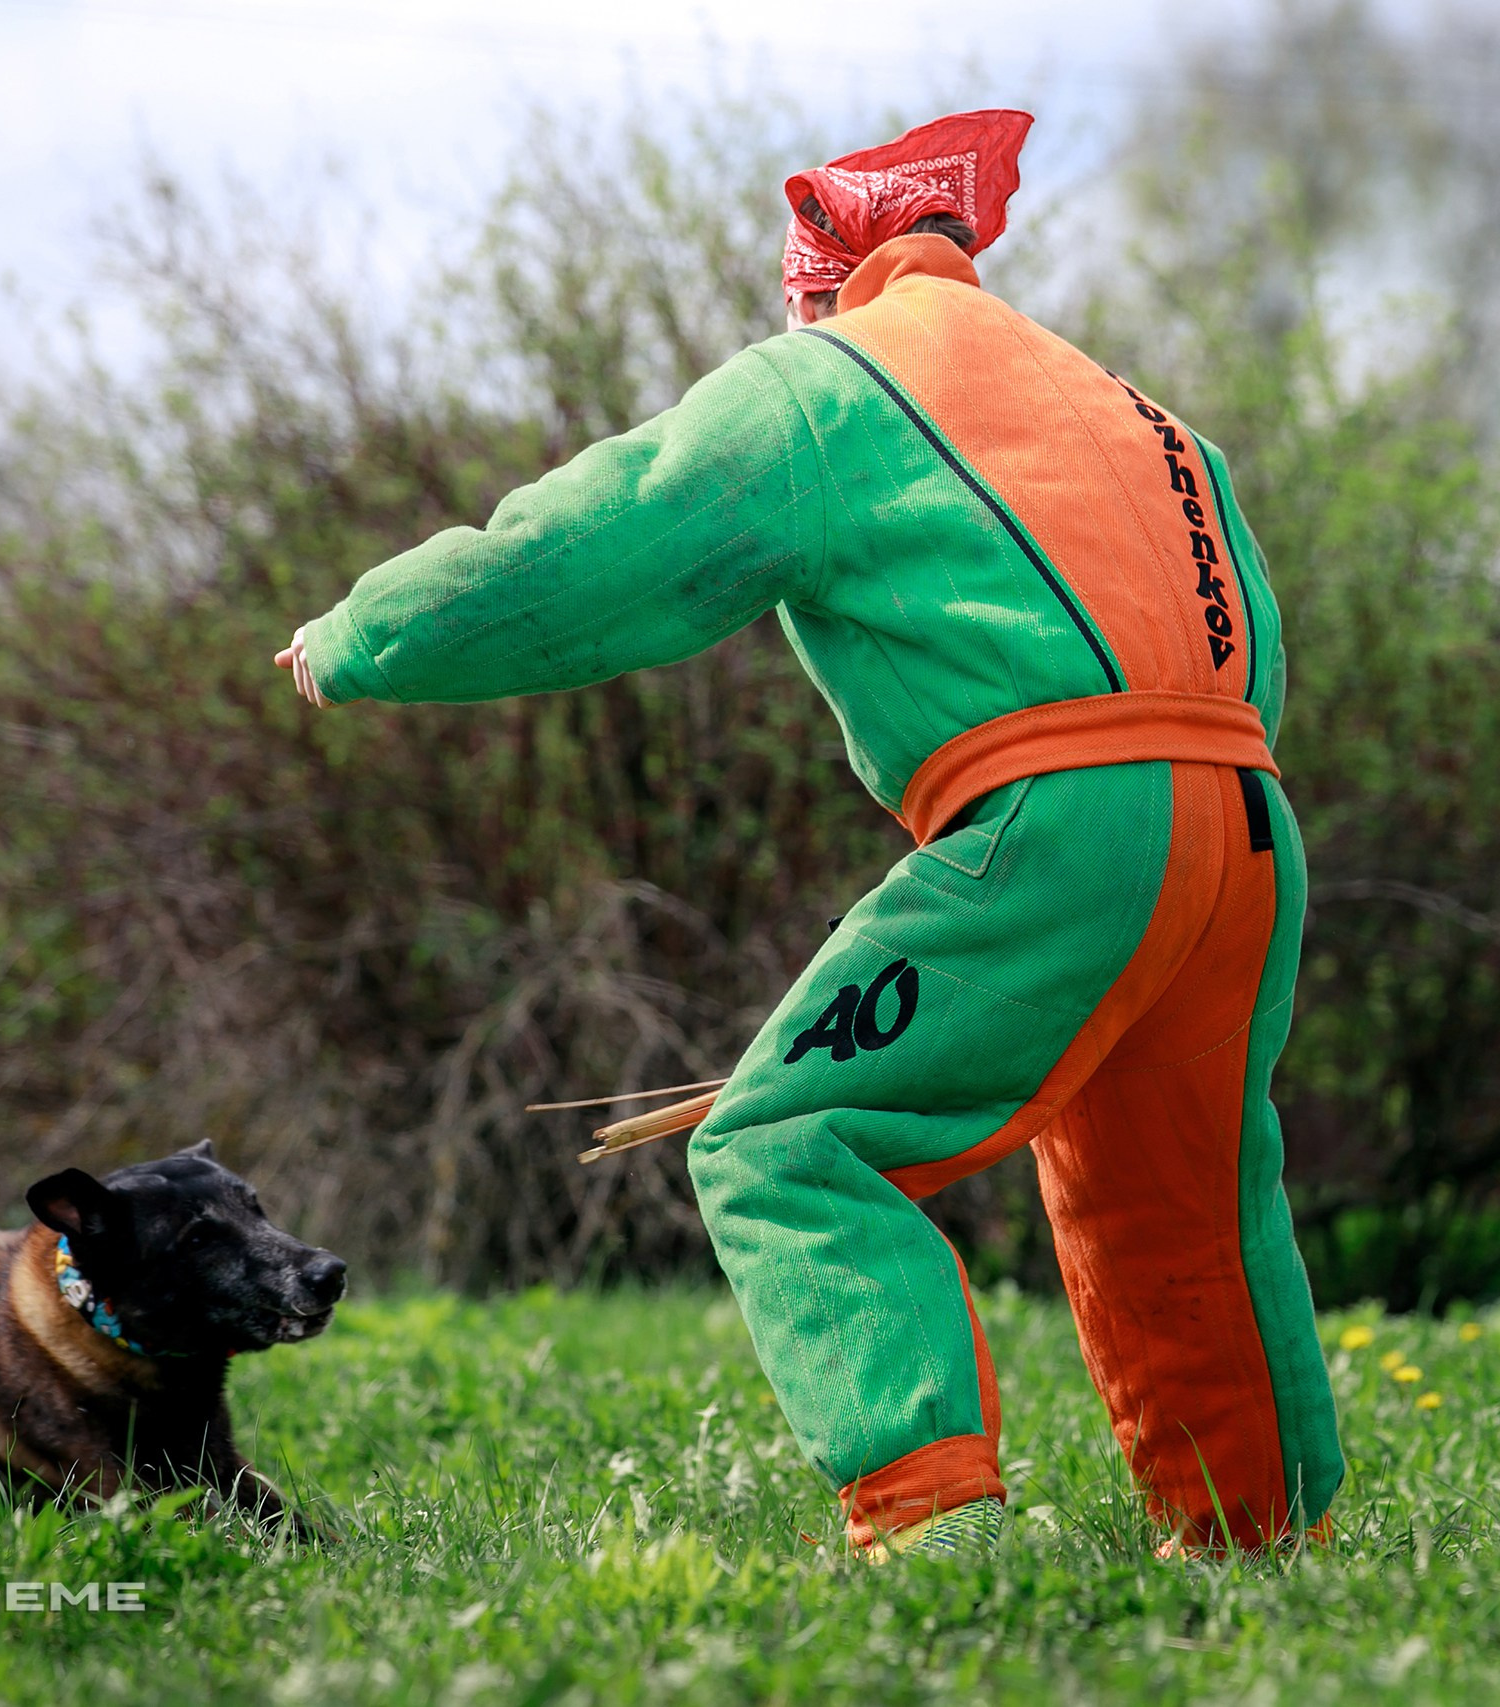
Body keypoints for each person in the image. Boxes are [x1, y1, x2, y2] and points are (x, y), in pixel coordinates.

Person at [277, 110, 1343, 1558]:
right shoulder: (1145, 417)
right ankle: (1258, 1539)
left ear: (825, 274)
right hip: (1247, 829)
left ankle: (938, 1533)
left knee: (785, 1140)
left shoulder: (831, 384)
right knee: (1192, 1198)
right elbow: (1249, 635)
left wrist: (365, 634)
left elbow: (603, 541)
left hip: (1064, 818)